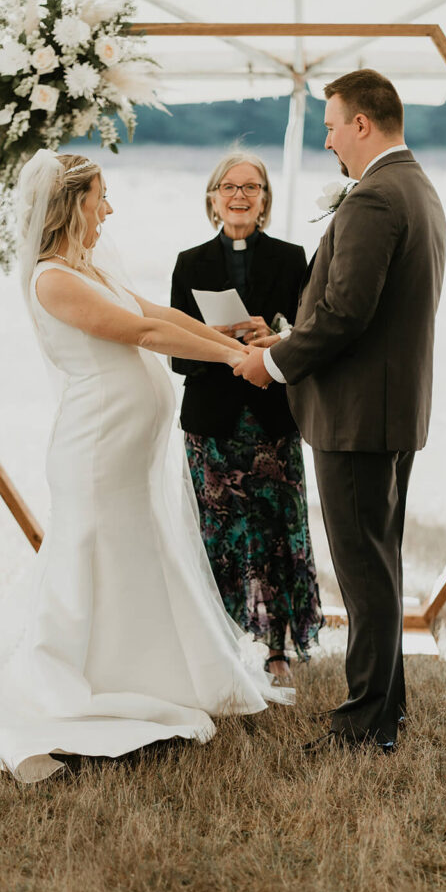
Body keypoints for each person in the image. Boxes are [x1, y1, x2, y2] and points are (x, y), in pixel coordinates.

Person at [0, 150, 293, 783]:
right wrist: (234, 364)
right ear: (74, 203)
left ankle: (144, 670)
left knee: (134, 555)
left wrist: (236, 347)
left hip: (122, 451)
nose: (109, 209)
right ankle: (51, 686)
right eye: (101, 197)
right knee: (84, 558)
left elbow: (163, 315)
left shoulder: (86, 266)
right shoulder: (54, 278)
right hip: (95, 449)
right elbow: (142, 335)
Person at [236, 70, 446, 751]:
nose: (325, 139)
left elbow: (345, 315)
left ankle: (363, 725)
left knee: (362, 572)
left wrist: (271, 362)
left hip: (359, 417)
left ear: (362, 122)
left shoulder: (376, 199)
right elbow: (362, 312)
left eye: (329, 125)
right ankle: (387, 710)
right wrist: (291, 334)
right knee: (378, 565)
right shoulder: (415, 187)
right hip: (388, 409)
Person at [170, 151, 325, 685]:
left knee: (276, 533)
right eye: (229, 186)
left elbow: (305, 337)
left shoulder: (290, 257)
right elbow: (175, 356)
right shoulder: (189, 263)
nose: (240, 195)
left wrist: (272, 339)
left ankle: (276, 649)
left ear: (265, 199)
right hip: (211, 425)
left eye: (252, 187)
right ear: (212, 198)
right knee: (217, 537)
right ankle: (217, 646)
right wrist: (221, 344)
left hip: (271, 421)